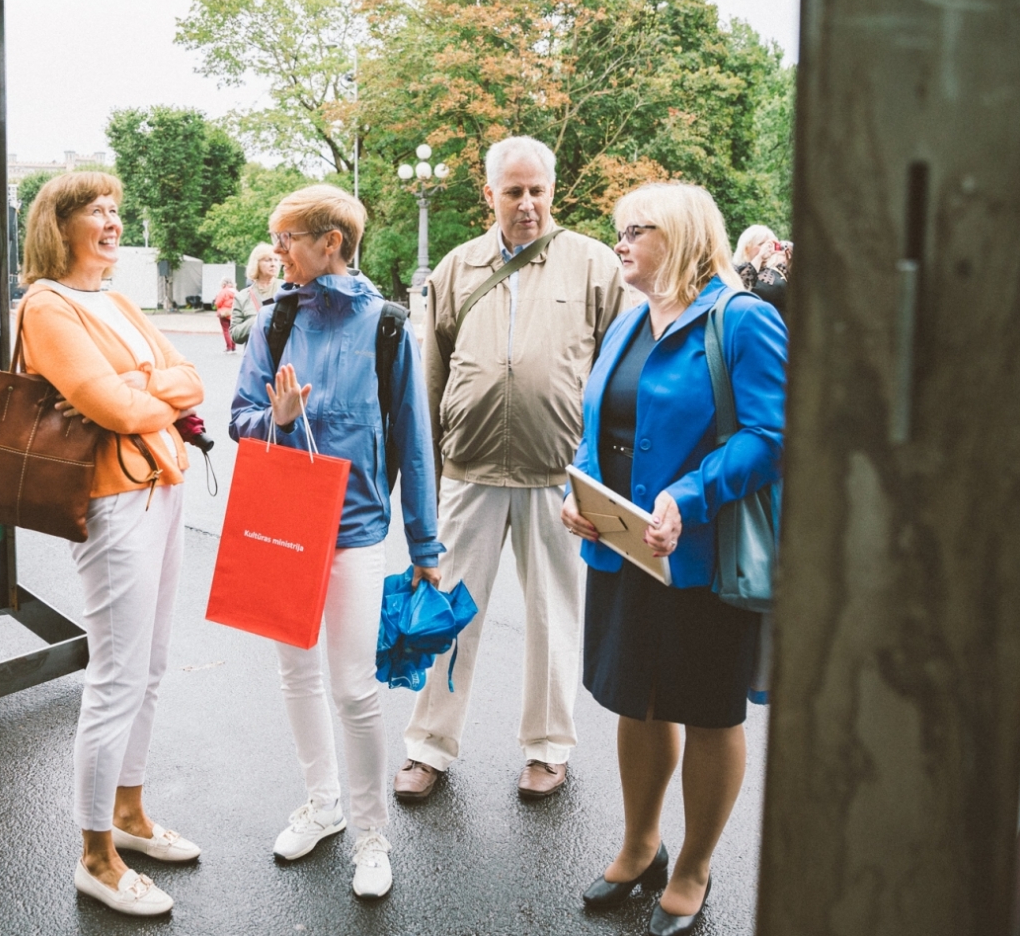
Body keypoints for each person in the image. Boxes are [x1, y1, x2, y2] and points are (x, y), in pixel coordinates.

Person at [562, 182, 785, 936]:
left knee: (710, 710)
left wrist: (690, 495)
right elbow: (599, 420)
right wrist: (583, 490)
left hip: (706, 558)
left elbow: (771, 435)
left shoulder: (744, 319)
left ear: (684, 235)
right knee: (638, 698)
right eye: (618, 229)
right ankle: (638, 847)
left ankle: (692, 867)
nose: (620, 241)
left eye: (637, 228)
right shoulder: (628, 323)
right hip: (627, 553)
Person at [396, 135, 629, 803]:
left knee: (554, 614)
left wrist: (601, 481)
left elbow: (619, 380)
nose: (527, 205)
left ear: (551, 192)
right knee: (448, 612)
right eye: (513, 191)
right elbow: (430, 378)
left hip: (558, 476)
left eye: (538, 191)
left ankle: (548, 748)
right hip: (469, 472)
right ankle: (427, 747)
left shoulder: (592, 265)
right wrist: (430, 483)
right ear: (489, 193)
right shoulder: (458, 266)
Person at [230, 185, 444, 900]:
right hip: (287, 522)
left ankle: (370, 832)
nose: (277, 249)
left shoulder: (388, 328)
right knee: (296, 673)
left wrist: (426, 544)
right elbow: (240, 417)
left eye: (289, 236)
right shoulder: (274, 319)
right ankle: (321, 802)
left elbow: (415, 444)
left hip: (355, 529)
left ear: (332, 242)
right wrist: (277, 418)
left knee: (354, 686)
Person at [19, 172, 205, 918]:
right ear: (58, 225)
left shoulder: (119, 301)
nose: (112, 220)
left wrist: (144, 386)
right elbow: (109, 404)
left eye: (116, 209)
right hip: (113, 498)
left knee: (151, 666)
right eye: (96, 210)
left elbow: (188, 380)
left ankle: (129, 813)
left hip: (162, 484)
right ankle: (96, 855)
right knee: (117, 674)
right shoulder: (45, 304)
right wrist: (147, 389)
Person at [229, 241, 280, 346]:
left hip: (284, 358)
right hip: (256, 358)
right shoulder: (242, 297)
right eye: (268, 260)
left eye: (276, 260)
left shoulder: (287, 289)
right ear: (256, 263)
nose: (273, 264)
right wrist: (257, 319)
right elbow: (235, 335)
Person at [731, 224, 777, 291]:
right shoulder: (734, 271)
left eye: (769, 245)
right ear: (746, 248)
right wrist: (759, 257)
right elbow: (742, 289)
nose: (766, 248)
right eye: (761, 244)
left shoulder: (775, 271)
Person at [213, 277, 237, 352]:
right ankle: (233, 347)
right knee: (233, 331)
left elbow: (217, 303)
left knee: (226, 330)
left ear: (223, 284)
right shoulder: (236, 292)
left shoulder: (223, 292)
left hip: (224, 313)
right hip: (234, 313)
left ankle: (229, 347)